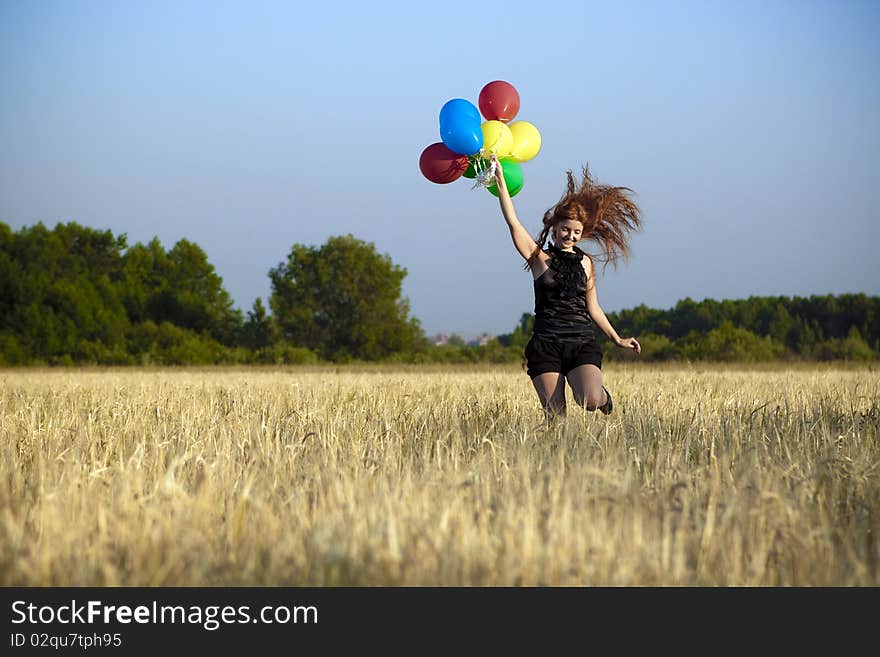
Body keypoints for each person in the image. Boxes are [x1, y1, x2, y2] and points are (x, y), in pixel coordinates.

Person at [490, 154, 643, 419]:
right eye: (565, 230)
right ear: (554, 228)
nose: (570, 236)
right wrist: (500, 179)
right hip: (546, 343)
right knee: (556, 418)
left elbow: (593, 308)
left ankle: (604, 396)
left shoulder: (586, 263)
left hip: (580, 342)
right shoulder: (539, 258)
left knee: (591, 400)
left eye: (576, 232)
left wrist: (617, 338)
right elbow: (513, 221)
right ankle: (558, 459)